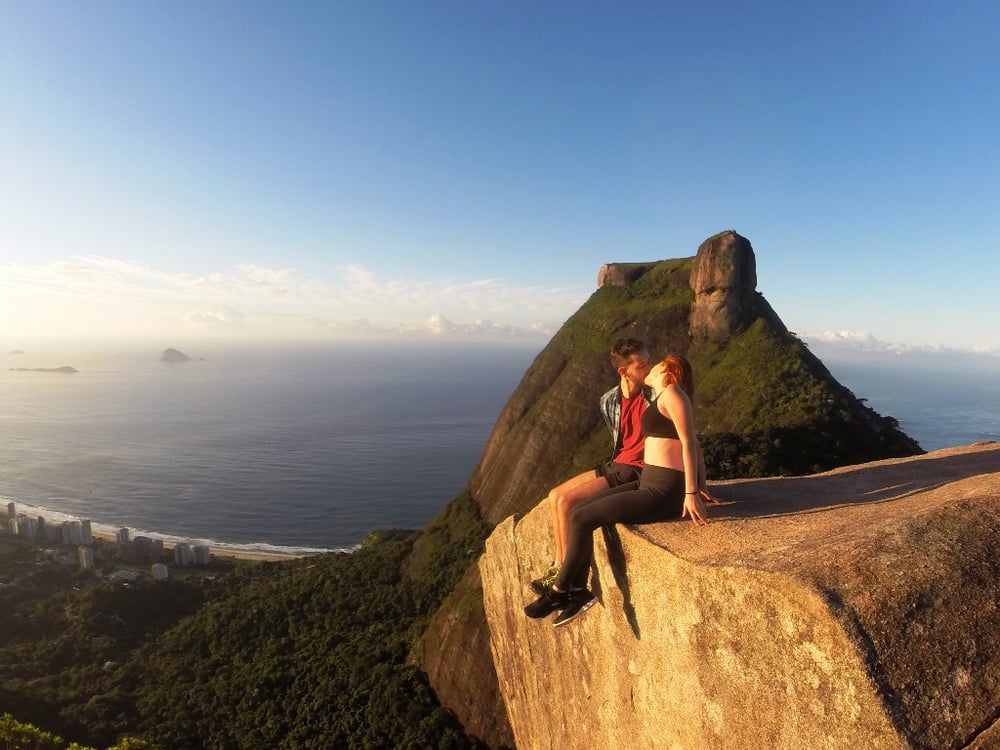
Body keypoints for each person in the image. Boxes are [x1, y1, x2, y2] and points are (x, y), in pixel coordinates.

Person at [524, 354, 716, 627]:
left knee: (581, 518)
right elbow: (692, 445)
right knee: (579, 511)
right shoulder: (662, 396)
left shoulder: (673, 393)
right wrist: (703, 485)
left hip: (663, 490)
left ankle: (560, 592)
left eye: (659, 363)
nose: (652, 366)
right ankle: (576, 591)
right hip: (648, 480)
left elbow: (689, 443)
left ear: (669, 370)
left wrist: (692, 492)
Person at [528, 337, 653, 593]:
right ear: (623, 371)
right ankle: (557, 565)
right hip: (616, 463)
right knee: (555, 496)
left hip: (634, 470)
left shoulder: (655, 395)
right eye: (641, 365)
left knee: (567, 503)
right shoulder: (610, 401)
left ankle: (566, 575)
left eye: (649, 362)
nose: (648, 369)